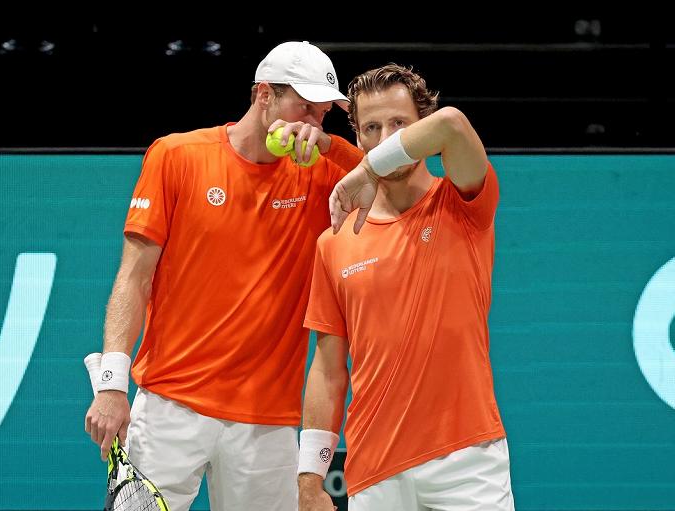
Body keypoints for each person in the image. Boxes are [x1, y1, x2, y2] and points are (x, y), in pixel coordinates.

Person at [84, 41, 363, 511]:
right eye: (304, 109)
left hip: (267, 422)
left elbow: (393, 184)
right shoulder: (177, 156)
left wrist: (332, 147)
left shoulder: (322, 175)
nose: (313, 125)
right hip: (170, 405)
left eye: (322, 115)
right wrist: (113, 384)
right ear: (263, 95)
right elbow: (134, 276)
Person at [297, 64, 515, 511]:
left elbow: (452, 125)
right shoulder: (334, 242)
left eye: (400, 124)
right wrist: (310, 478)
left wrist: (368, 169)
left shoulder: (463, 203)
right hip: (373, 471)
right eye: (372, 129)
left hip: (467, 460)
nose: (385, 139)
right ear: (358, 137)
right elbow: (328, 369)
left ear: (421, 126)